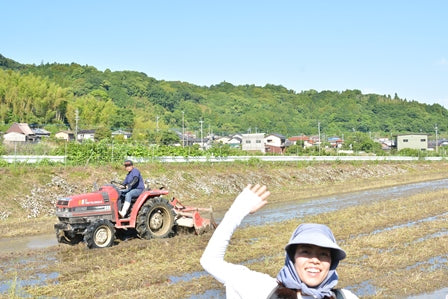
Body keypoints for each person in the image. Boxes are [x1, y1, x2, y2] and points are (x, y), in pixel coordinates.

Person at [200, 184, 358, 299]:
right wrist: (237, 211)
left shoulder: (345, 297)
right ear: (292, 257)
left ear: (332, 262)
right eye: (305, 252)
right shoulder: (261, 289)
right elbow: (210, 261)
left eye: (323, 254)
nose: (315, 260)